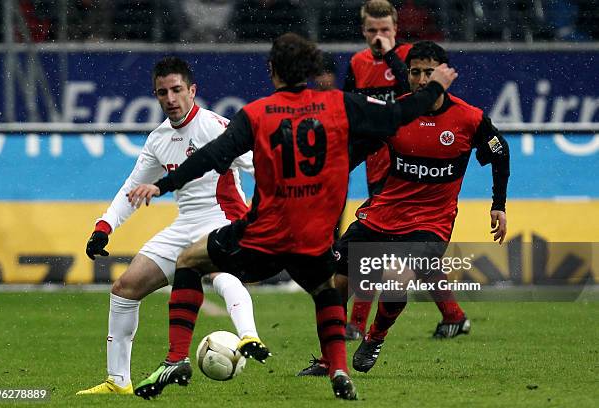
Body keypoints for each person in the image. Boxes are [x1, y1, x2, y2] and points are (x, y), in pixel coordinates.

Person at [126, 33, 457, 400]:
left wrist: (165, 183)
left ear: (273, 72)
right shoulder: (339, 105)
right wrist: (434, 89)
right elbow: (397, 115)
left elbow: (212, 155)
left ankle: (175, 358)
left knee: (190, 259)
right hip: (313, 237)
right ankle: (339, 369)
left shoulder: (256, 113)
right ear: (312, 69)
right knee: (325, 291)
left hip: (263, 236)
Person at [297, 40, 509, 377]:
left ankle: (375, 335)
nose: (422, 79)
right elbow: (358, 150)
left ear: (445, 74)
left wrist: (498, 205)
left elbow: (499, 152)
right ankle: (328, 359)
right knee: (335, 281)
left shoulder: (469, 118)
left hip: (431, 222)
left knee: (396, 277)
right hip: (384, 213)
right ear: (407, 75)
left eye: (429, 72)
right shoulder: (396, 113)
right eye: (415, 72)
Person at [76, 56, 268, 395]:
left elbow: (260, 166)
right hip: (184, 226)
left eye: (177, 90)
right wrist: (104, 226)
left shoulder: (216, 126)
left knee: (218, 274)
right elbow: (131, 189)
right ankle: (117, 382)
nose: (171, 98)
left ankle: (249, 335)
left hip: (223, 219)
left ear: (192, 90)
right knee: (124, 289)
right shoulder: (158, 139)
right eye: (163, 92)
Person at [343, 0, 414, 341]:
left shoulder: (410, 59)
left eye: (384, 30)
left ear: (396, 30)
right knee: (383, 243)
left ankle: (356, 324)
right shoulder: (357, 63)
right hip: (375, 159)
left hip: (409, 158)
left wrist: (390, 56)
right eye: (372, 31)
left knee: (380, 243)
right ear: (363, 31)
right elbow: (346, 105)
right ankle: (454, 316)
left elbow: (414, 95)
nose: (378, 37)